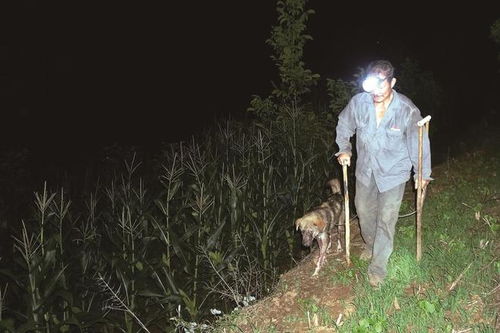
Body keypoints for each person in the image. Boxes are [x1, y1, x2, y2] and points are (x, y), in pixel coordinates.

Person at [335, 60, 432, 287]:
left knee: (386, 220)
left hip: (394, 174)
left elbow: (419, 142)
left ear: (393, 82)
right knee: (364, 212)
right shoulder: (359, 103)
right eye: (371, 85)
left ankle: (378, 268)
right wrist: (344, 148)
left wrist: (422, 172)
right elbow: (344, 124)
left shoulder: (407, 110)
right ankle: (371, 244)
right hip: (365, 171)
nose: (376, 92)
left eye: (382, 85)